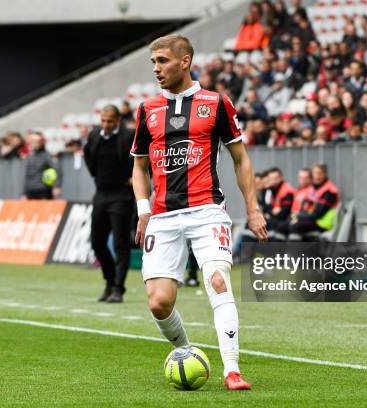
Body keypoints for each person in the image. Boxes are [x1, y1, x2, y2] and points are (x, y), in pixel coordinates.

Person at [131, 35, 266, 391]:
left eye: (162, 61)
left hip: (207, 211)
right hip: (162, 216)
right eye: (153, 62)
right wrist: (143, 210)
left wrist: (252, 209)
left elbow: (241, 158)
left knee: (217, 282)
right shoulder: (147, 110)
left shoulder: (216, 103)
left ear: (185, 61)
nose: (156, 69)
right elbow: (139, 167)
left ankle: (232, 370)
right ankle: (185, 351)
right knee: (159, 302)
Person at [84, 105, 135, 303]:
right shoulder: (95, 135)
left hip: (122, 194)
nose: (105, 125)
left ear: (118, 121)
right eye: (103, 121)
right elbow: (89, 158)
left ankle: (118, 288)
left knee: (120, 243)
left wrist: (134, 179)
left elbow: (141, 159)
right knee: (97, 241)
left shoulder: (128, 136)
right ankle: (110, 281)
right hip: (101, 193)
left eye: (109, 121)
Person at [291, 163, 340, 236]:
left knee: (294, 226)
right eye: (315, 173)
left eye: (319, 173)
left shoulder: (329, 191)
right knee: (284, 225)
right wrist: (298, 217)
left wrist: (298, 217)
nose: (317, 176)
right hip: (313, 220)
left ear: (325, 174)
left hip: (323, 223)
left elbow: (318, 213)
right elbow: (305, 209)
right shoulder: (314, 189)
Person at [22, 132, 61, 200]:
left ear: (42, 142)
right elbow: (27, 175)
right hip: (30, 190)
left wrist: (56, 186)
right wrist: (24, 193)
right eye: (33, 141)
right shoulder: (31, 156)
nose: (35, 143)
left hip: (43, 190)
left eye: (37, 141)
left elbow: (57, 169)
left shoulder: (47, 156)